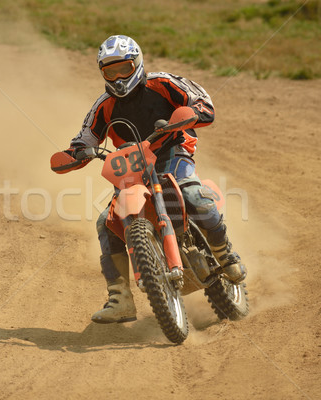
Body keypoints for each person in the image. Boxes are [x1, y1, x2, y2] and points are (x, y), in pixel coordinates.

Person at [50, 35, 246, 324]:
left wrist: (191, 113)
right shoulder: (104, 105)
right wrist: (77, 153)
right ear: (102, 73)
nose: (117, 77)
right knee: (107, 222)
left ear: (137, 63)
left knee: (192, 195)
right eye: (110, 71)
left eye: (123, 69)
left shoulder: (163, 83)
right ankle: (120, 299)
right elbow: (84, 138)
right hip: (133, 166)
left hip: (172, 152)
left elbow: (202, 103)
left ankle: (225, 254)